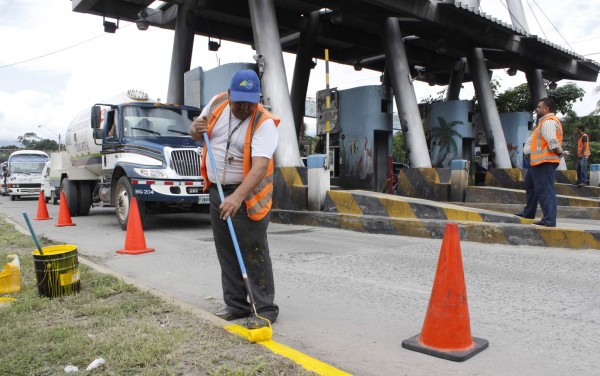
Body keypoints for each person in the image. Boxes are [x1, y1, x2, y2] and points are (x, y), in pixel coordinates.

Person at [189, 69, 280, 329]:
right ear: (229, 95)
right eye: (238, 101)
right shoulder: (217, 103)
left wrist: (237, 197)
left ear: (257, 99)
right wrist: (195, 128)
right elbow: (197, 131)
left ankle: (265, 309)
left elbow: (260, 167)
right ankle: (236, 305)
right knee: (226, 250)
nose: (243, 107)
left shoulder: (264, 122)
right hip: (218, 188)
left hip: (248, 194)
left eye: (250, 102)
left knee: (253, 251)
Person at [515, 97, 564, 227]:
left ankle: (549, 220)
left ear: (546, 109)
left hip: (544, 161)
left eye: (539, 107)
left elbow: (552, 141)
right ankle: (529, 212)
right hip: (537, 162)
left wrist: (559, 152)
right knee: (530, 186)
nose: (537, 109)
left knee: (545, 191)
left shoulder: (548, 122)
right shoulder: (542, 123)